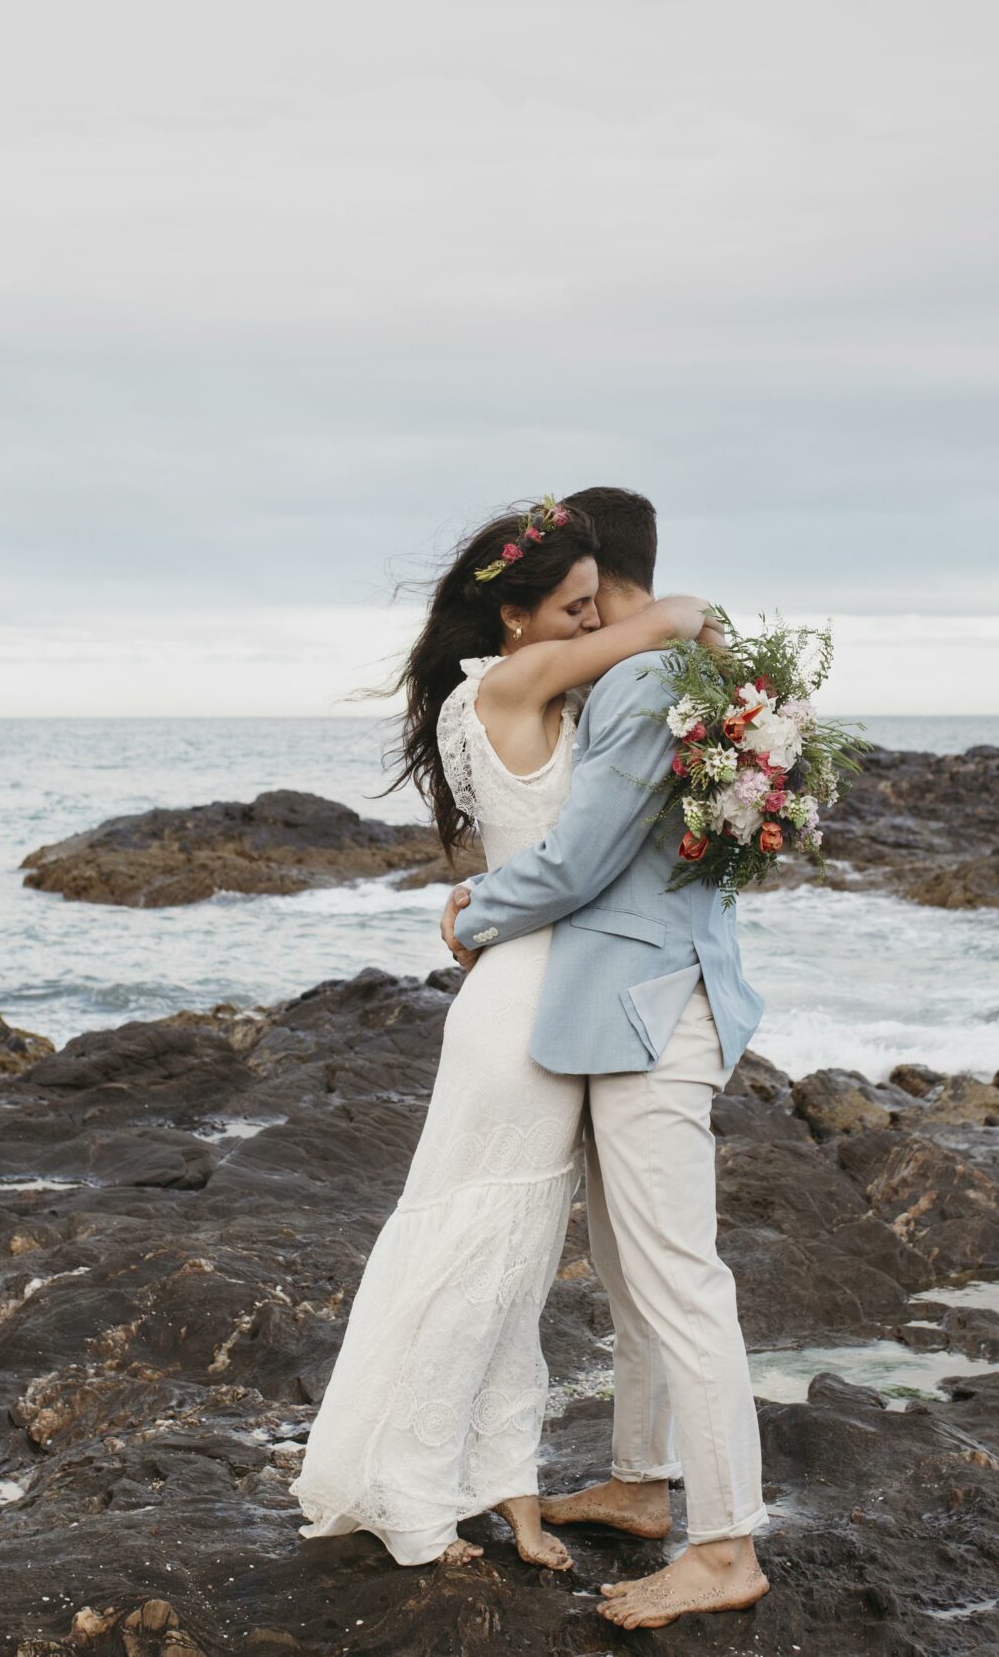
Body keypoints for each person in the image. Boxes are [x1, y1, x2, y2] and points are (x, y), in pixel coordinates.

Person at [292, 494, 717, 1572]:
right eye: (571, 607)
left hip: (540, 985)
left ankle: (506, 1490)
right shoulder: (509, 679)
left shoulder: (523, 689)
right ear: (515, 617)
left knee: (516, 1261)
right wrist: (691, 617)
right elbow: (668, 621)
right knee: (478, 1248)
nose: (588, 624)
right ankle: (422, 1492)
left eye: (591, 603)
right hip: (522, 1001)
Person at [438, 485, 774, 1629]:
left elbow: (579, 859)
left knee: (677, 1277)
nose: (582, 621)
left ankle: (725, 1545)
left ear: (595, 573)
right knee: (633, 1272)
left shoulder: (639, 677)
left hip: (646, 1010)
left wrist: (473, 911)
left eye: (584, 597)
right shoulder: (684, 666)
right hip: (643, 997)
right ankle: (641, 1483)